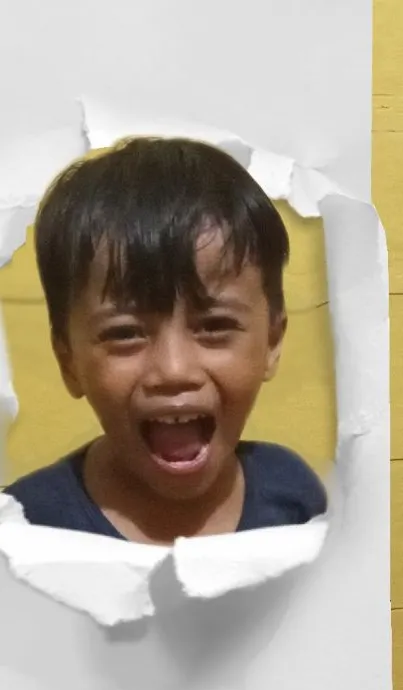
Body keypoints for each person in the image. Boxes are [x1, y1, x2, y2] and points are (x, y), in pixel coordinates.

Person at [4, 137, 327, 545]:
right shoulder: (26, 531)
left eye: (214, 325)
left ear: (272, 341)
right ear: (68, 361)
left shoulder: (293, 499)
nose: (174, 370)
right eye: (124, 333)